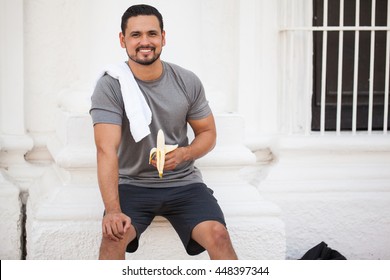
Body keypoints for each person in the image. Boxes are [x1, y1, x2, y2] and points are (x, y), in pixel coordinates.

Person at [90, 4, 237, 260]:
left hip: (183, 182)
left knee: (218, 235)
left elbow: (208, 133)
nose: (144, 41)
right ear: (122, 39)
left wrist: (185, 154)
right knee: (113, 236)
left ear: (163, 37)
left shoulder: (186, 80)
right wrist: (112, 210)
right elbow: (106, 149)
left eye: (152, 34)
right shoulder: (110, 86)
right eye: (136, 35)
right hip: (131, 184)